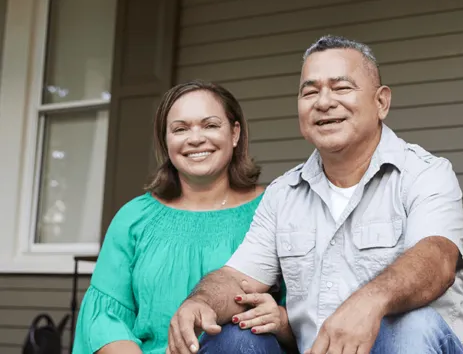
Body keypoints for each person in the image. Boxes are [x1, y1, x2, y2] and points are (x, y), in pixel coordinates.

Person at [168, 35, 463, 354]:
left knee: (412, 325)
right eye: (310, 92)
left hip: (409, 347)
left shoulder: (425, 173)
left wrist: (370, 301)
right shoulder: (284, 193)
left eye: (341, 88)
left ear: (381, 102)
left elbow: (437, 259)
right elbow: (237, 279)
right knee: (232, 339)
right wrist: (200, 302)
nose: (324, 102)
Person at [71, 81, 296, 354]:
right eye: (180, 129)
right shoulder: (133, 218)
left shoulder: (274, 208)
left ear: (235, 133)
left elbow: (303, 317)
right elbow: (105, 321)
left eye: (210, 125)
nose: (196, 138)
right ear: (165, 142)